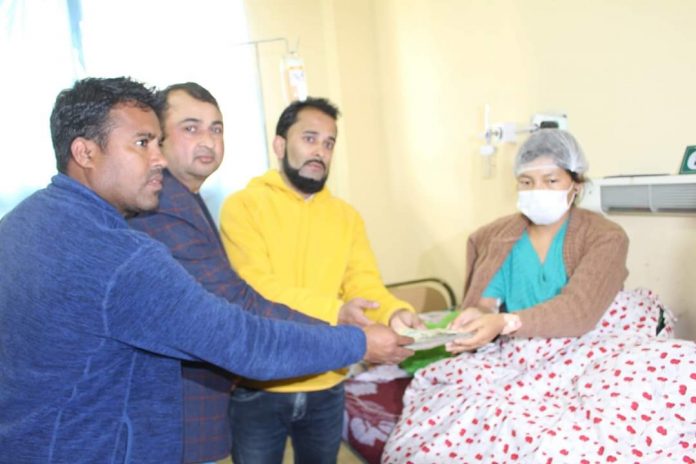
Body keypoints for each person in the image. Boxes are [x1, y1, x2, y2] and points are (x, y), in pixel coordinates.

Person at [0, 77, 413, 463]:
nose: (158, 158)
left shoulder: (20, 222)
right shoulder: (123, 258)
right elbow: (243, 339)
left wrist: (384, 313)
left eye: (157, 142)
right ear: (85, 152)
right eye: (142, 143)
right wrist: (356, 341)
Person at [128, 82, 365, 463]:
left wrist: (393, 314)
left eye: (216, 129)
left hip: (321, 378)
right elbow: (244, 297)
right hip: (221, 393)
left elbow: (364, 281)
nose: (207, 140)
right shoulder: (172, 206)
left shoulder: (187, 199)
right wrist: (350, 333)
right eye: (191, 128)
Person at [219, 97, 425, 463]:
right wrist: (337, 313)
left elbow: (364, 284)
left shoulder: (346, 217)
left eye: (329, 143)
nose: (320, 151)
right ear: (280, 145)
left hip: (328, 381)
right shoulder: (244, 206)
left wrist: (394, 313)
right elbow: (258, 290)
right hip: (261, 384)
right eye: (309, 138)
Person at [445, 128, 629, 352]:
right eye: (526, 182)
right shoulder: (499, 239)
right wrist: (478, 315)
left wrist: (507, 322)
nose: (537, 190)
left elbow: (580, 312)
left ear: (576, 186)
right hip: (519, 349)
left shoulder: (605, 237)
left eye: (551, 180)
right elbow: (487, 305)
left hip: (589, 345)